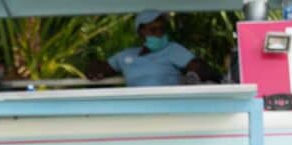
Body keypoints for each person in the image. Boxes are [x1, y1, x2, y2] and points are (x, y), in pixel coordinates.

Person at [86, 10, 220, 87]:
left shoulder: (172, 49)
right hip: (136, 111)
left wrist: (193, 75)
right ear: (140, 32)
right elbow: (99, 69)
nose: (159, 33)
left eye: (162, 29)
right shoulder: (126, 56)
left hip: (169, 110)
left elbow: (199, 67)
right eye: (153, 29)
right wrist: (92, 69)